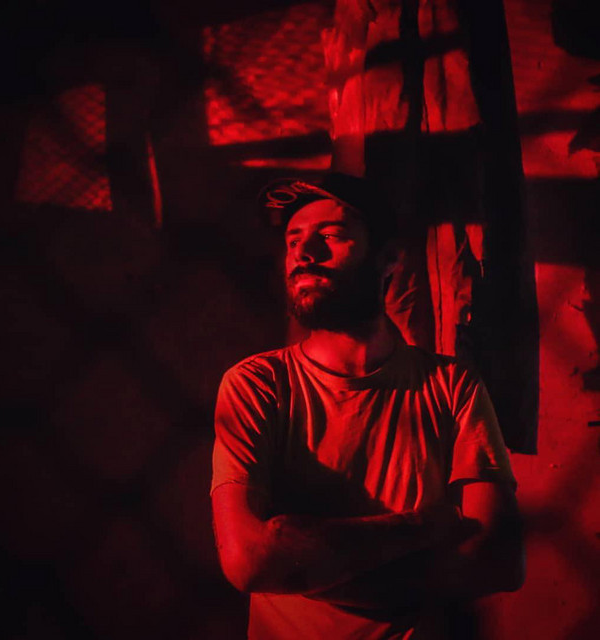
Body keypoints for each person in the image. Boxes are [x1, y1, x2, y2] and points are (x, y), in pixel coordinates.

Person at [211, 173, 524, 639]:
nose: (303, 253)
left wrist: (307, 563)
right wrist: (426, 527)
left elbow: (499, 560)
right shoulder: (257, 385)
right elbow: (249, 562)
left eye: (330, 236)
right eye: (293, 240)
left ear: (388, 259)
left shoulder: (450, 385)